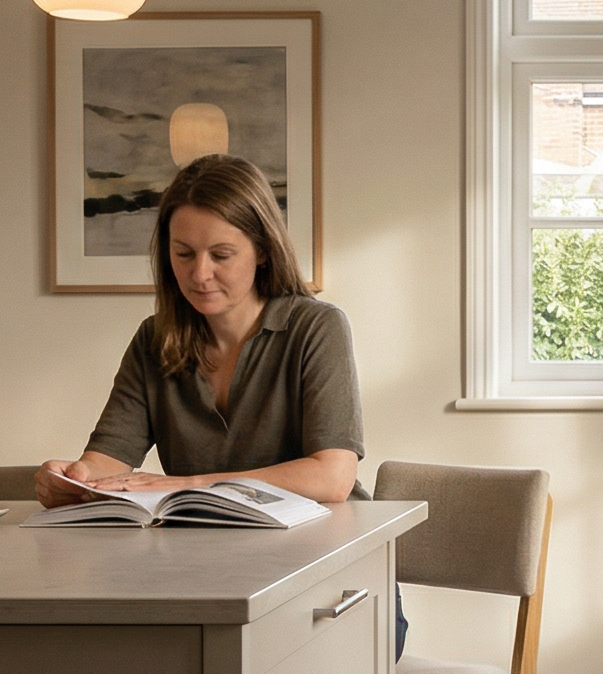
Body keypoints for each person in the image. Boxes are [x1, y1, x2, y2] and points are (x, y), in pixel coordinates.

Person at [38, 150, 365, 509]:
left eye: (221, 255)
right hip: (208, 546)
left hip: (328, 544)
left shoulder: (316, 328)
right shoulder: (153, 339)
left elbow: (332, 477)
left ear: (262, 251)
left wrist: (188, 485)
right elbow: (107, 461)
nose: (199, 274)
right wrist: (74, 477)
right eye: (184, 254)